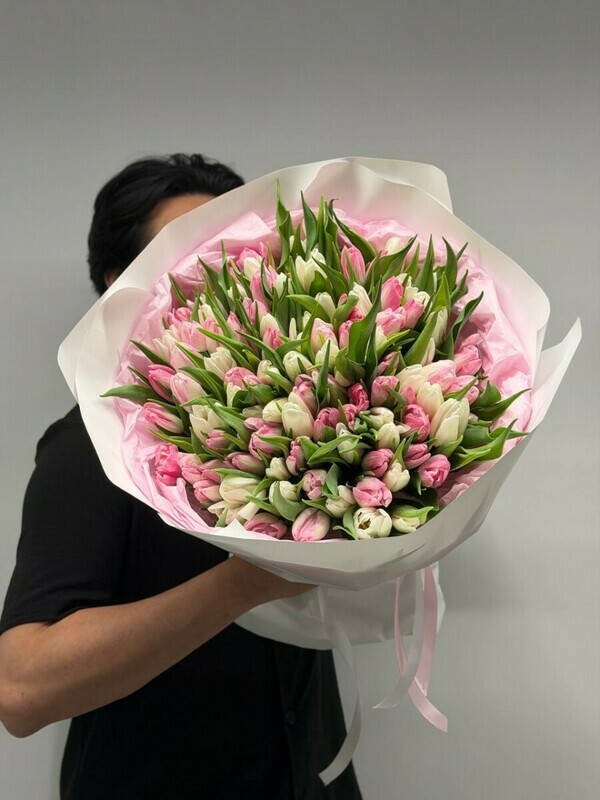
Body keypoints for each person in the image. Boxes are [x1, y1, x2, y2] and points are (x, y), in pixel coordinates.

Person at [0, 154, 363, 800]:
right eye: (188, 256)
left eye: (232, 251)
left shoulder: (306, 412)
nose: (219, 275)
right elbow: (22, 688)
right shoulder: (92, 445)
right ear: (121, 287)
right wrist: (241, 586)